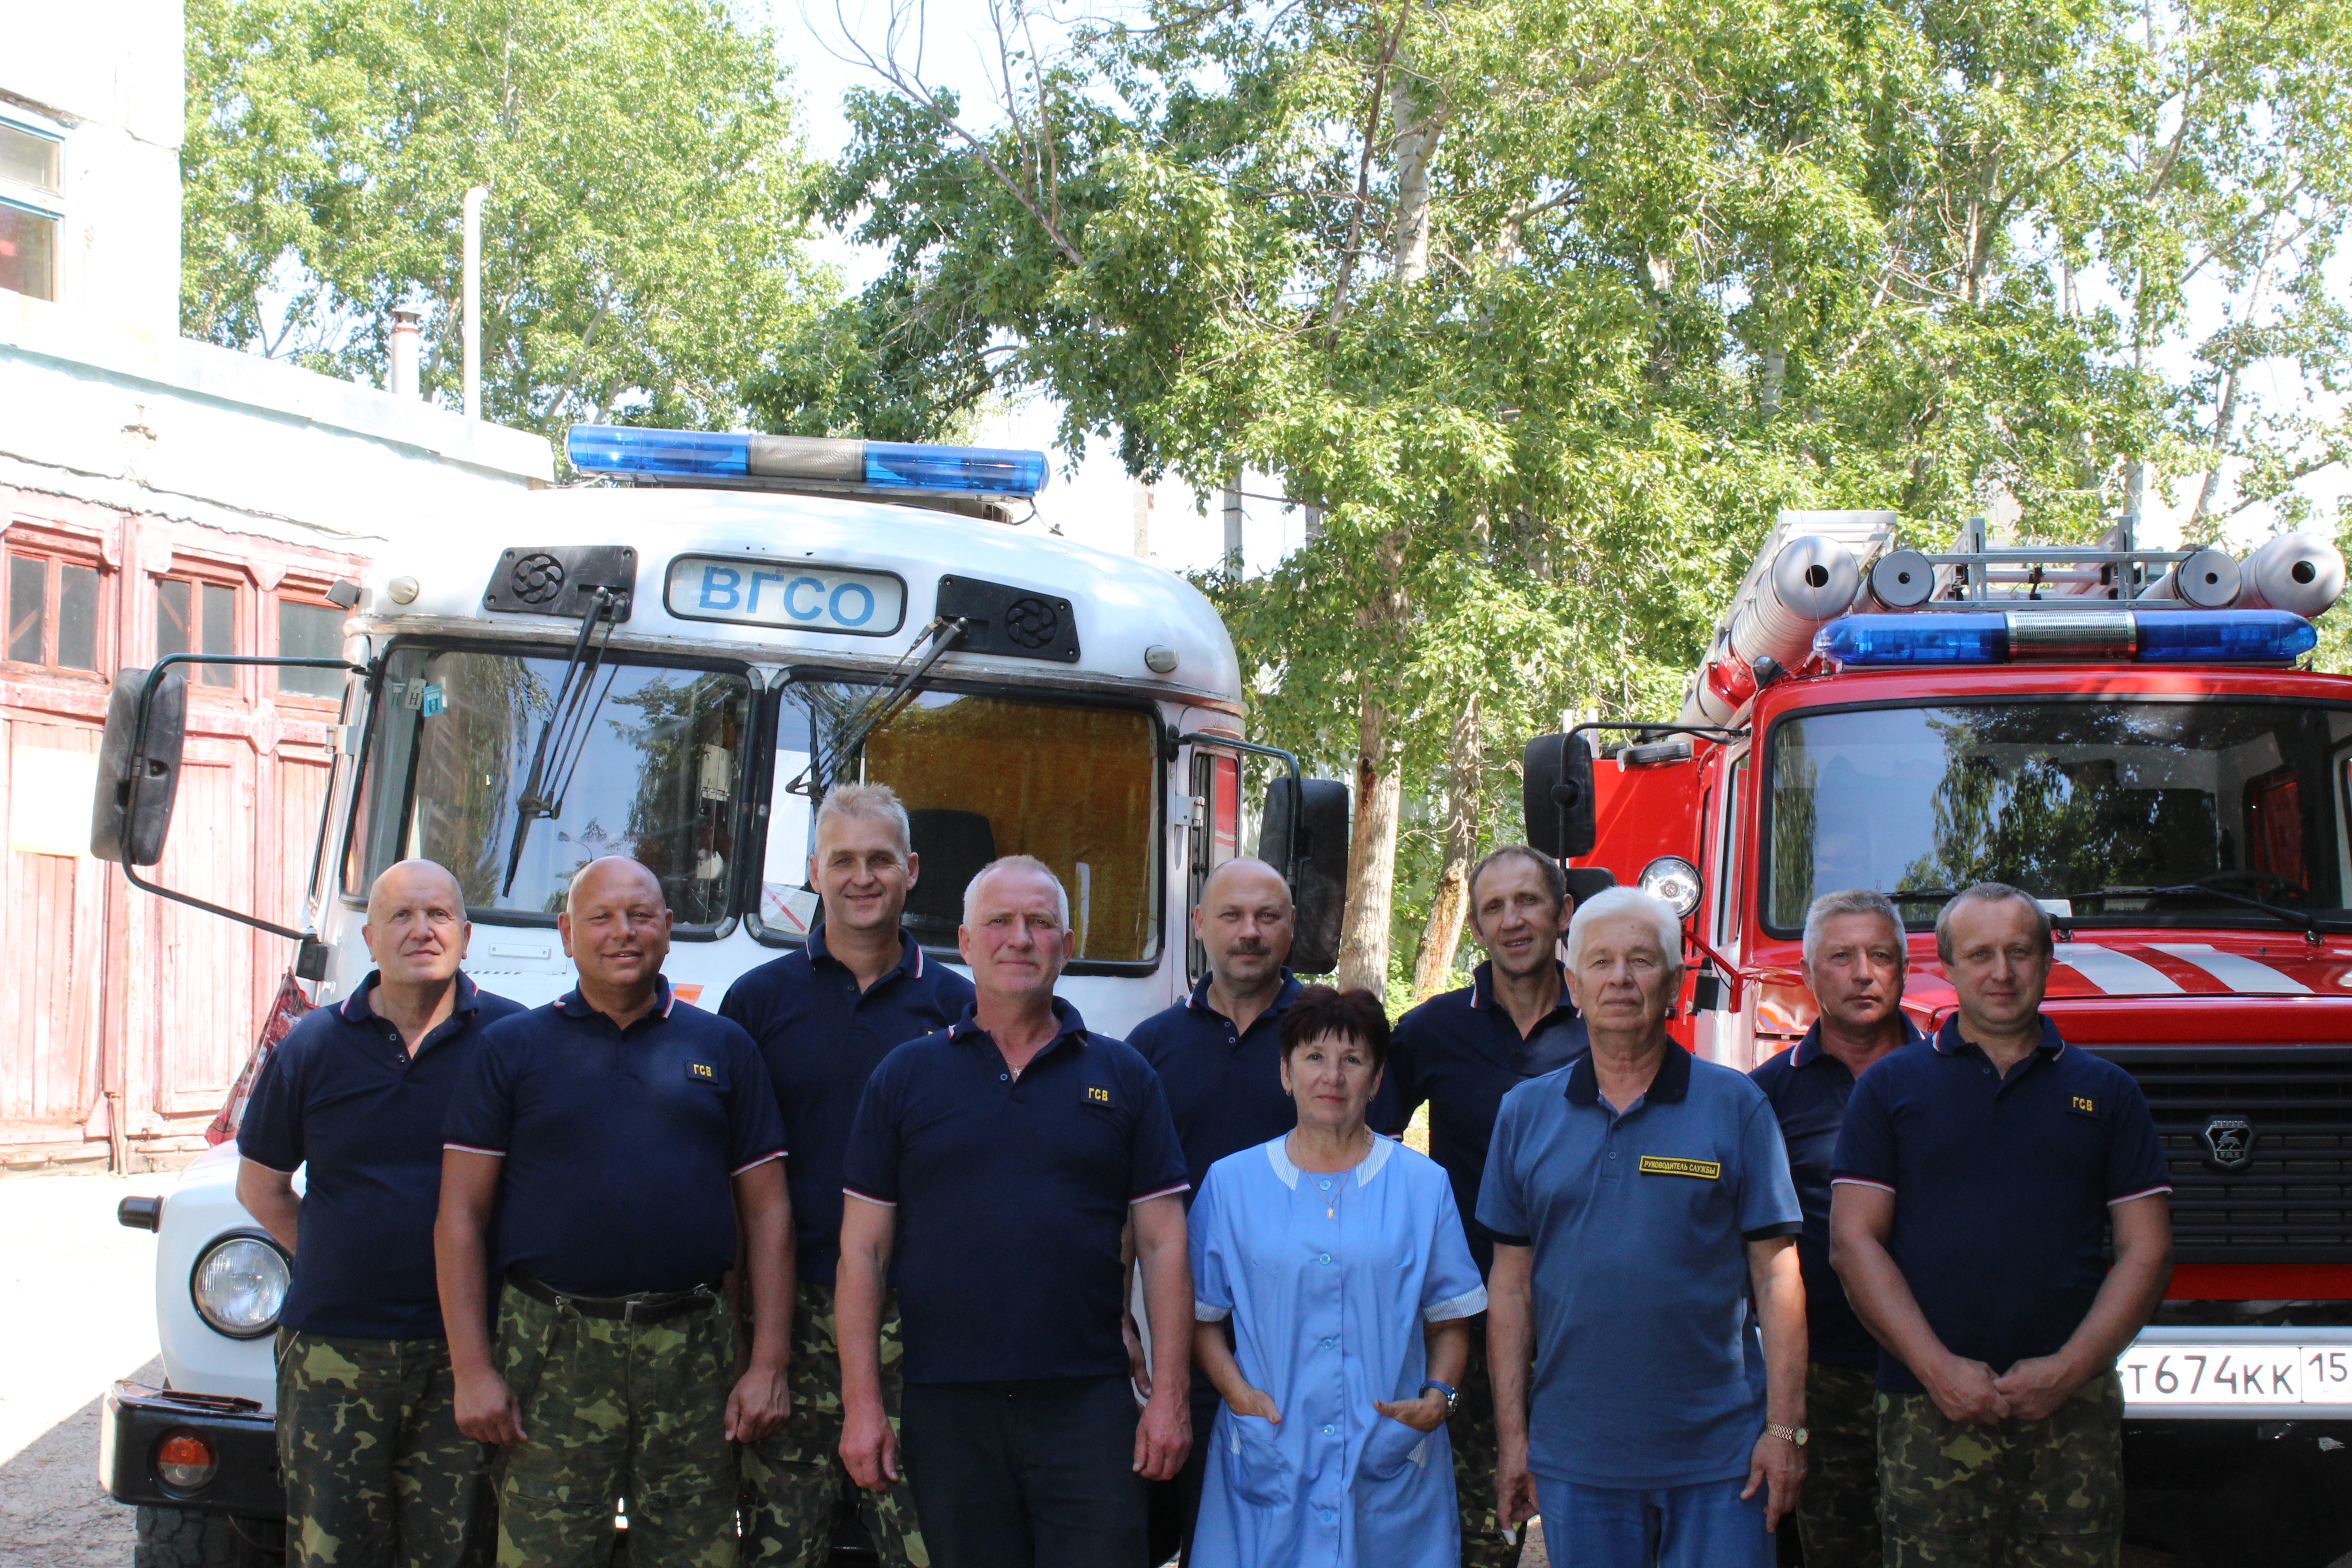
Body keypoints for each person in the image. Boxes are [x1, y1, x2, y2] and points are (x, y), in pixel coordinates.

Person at [836, 855, 1193, 1568]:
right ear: (966, 945)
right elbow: (863, 1254)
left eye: (1040, 923)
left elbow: (1163, 1245)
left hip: (1087, 1405)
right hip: (948, 1405)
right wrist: (863, 1406)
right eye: (998, 922)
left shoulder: (1124, 1076)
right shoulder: (906, 1077)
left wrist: (1170, 1398)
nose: (1019, 938)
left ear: (1066, 942)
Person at [436, 857, 794, 1568]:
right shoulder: (511, 1050)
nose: (621, 932)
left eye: (640, 915)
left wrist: (769, 1363)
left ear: (666, 929)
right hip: (551, 1353)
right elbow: (460, 1218)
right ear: (568, 933)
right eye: (600, 918)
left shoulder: (723, 1048)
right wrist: (472, 1368)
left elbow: (770, 1216)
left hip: (692, 1354)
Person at [1831, 882, 2173, 1567]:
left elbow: (2149, 1249)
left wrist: (2069, 1371)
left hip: (2072, 1415)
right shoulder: (1890, 1088)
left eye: (2019, 952)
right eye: (1980, 954)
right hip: (1928, 1410)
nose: (2002, 972)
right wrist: (1938, 1371)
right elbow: (1853, 1243)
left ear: (2048, 962)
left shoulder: (2108, 1092)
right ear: (1948, 967)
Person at [1480, 886, 1807, 1568]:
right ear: (1574, 984)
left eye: (1641, 961)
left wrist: (1785, 1430)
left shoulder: (1737, 1106)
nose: (1620, 979)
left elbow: (1778, 1278)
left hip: (1721, 1458)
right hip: (1579, 1456)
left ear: (1674, 983)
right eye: (1601, 962)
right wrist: (1516, 1441)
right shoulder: (1524, 1114)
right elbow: (1510, 1291)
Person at [236, 860, 524, 1568]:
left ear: (465, 933)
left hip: (470, 1353)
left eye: (438, 916)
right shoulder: (311, 1047)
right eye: (400, 916)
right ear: (369, 939)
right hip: (334, 1351)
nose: (421, 930)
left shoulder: (517, 1043)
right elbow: (260, 1188)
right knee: (332, 1547)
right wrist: (336, 1254)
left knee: (458, 1550)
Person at [719, 783, 974, 1568]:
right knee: (777, 1548)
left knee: (927, 1545)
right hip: (787, 1316)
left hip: (918, 1322)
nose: (861, 877)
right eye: (843, 861)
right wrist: (752, 1347)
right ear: (814, 872)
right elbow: (730, 1179)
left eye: (879, 860)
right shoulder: (757, 1003)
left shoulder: (960, 1007)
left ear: (911, 870)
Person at [1187, 985, 1485, 1567]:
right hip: (1272, 1448)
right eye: (1314, 1057)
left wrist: (1438, 1397)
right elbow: (1202, 1318)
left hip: (1388, 1448)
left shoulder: (1423, 1186)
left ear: (1376, 1081)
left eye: (1353, 1061)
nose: (1333, 1076)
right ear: (1285, 1072)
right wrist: (1236, 1394)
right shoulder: (1232, 1183)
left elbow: (1449, 1317)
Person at [1380, 844, 1583, 1568]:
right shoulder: (1433, 1030)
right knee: (1477, 1536)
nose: (1513, 921)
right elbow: (1366, 1151)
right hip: (1468, 1322)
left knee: (1603, 1529)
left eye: (1528, 901)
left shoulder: (1610, 1021)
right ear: (1474, 927)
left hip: (1585, 1324)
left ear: (1563, 913)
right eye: (1494, 907)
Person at [1127, 855, 1304, 1560]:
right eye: (1232, 916)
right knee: (1174, 1531)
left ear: (1293, 928)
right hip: (1179, 1340)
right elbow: (1121, 1196)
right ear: (1200, 926)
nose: (1250, 932)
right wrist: (1119, 1313)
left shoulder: (1329, 1039)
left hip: (1300, 1342)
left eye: (1268, 916)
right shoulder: (1151, 1050)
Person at [1749, 889, 1923, 1568]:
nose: (1863, 973)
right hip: (1821, 1374)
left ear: (1904, 970)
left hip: (1938, 1370)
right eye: (1842, 957)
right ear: (1809, 971)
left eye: (1881, 956)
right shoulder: (1765, 1095)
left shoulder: (1954, 1077)